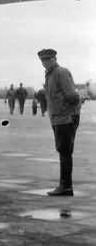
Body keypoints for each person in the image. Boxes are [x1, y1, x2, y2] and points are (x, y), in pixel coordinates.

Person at [38, 49, 81, 196]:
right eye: (43, 61)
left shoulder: (61, 72)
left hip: (65, 117)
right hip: (57, 117)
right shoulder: (49, 74)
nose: (45, 63)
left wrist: (70, 112)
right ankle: (65, 186)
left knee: (65, 152)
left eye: (48, 60)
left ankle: (66, 187)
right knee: (63, 151)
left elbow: (72, 95)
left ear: (55, 59)